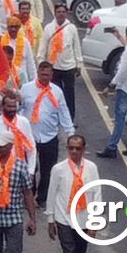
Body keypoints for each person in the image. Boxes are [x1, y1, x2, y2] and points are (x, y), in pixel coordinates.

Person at [45, 135, 101, 253]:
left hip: (84, 219)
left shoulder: (91, 168)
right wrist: (51, 220)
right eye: (71, 148)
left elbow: (96, 194)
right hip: (64, 219)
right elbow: (52, 193)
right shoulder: (59, 169)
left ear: (83, 149)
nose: (74, 151)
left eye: (78, 148)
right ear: (67, 149)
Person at [21, 62, 75, 209]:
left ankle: (42, 197)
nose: (44, 77)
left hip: (50, 136)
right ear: (38, 73)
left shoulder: (57, 92)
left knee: (48, 170)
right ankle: (29, 195)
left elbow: (63, 112)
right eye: (42, 74)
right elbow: (20, 108)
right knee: (30, 168)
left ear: (52, 75)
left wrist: (70, 132)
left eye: (47, 75)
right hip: (29, 137)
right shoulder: (26, 89)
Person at [98, 25, 127, 159]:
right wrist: (118, 36)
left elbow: (122, 71)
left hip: (126, 89)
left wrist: (111, 85)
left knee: (119, 119)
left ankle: (112, 147)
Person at [38, 4, 82, 119]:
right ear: (55, 13)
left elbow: (76, 46)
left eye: (63, 12)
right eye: (59, 12)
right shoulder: (49, 28)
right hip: (53, 67)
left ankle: (70, 119)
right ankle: (56, 117)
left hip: (69, 67)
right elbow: (43, 45)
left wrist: (79, 64)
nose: (61, 14)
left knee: (69, 95)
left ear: (66, 13)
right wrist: (41, 61)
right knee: (54, 94)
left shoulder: (71, 28)